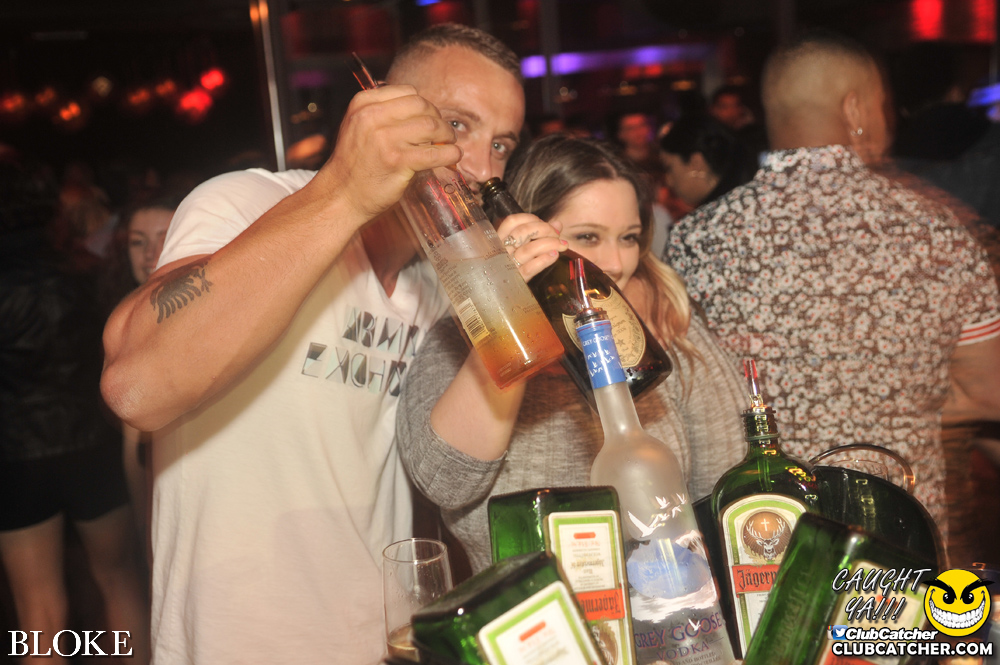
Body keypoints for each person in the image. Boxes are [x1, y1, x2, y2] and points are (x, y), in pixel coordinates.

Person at [100, 24, 526, 664]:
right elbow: (136, 387)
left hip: (381, 644)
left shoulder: (444, 283)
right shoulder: (247, 204)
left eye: (501, 145)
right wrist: (345, 193)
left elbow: (454, 470)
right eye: (458, 126)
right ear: (384, 107)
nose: (484, 170)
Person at [666, 30, 1000, 547]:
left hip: (766, 533)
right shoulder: (939, 231)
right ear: (856, 109)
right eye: (884, 107)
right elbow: (987, 390)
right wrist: (891, 399)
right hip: (899, 530)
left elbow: (683, 396)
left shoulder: (697, 240)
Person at [396, 134, 748, 574]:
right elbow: (445, 485)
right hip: (529, 610)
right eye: (588, 236)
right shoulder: (457, 340)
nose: (616, 262)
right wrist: (507, 308)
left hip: (662, 606)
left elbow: (731, 486)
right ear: (523, 233)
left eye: (629, 237)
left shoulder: (663, 323)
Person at [0, 153, 150, 663]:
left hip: (17, 455)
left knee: (38, 610)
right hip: (91, 445)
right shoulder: (85, 273)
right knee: (120, 581)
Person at [98, 192, 186, 561]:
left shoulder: (207, 324)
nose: (150, 253)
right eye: (138, 242)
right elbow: (133, 450)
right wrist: (143, 529)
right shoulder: (124, 322)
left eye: (165, 237)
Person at [658, 114, 757, 210]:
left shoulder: (714, 216)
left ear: (696, 162)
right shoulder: (749, 197)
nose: (668, 181)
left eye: (669, 168)